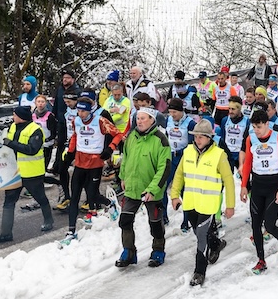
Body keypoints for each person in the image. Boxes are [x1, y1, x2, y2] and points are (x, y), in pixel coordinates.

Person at [170, 120, 236, 286]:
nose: (198, 140)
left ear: (209, 138)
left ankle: (199, 271)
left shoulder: (219, 155)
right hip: (191, 202)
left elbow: (229, 181)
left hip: (208, 204)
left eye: (201, 137)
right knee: (200, 232)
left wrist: (230, 205)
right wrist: (175, 195)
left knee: (201, 236)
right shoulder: (188, 151)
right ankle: (216, 244)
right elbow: (179, 175)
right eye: (196, 136)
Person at [59, 96, 124, 245]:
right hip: (80, 163)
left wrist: (110, 149)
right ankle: (71, 231)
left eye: (83, 111)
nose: (80, 114)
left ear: (89, 111)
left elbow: (118, 134)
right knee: (74, 197)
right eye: (78, 110)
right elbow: (75, 136)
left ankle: (109, 204)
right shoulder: (76, 121)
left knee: (92, 195)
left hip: (95, 163)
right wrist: (70, 152)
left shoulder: (100, 121)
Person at [115, 106, 171, 268]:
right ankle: (129, 251)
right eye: (138, 118)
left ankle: (158, 250)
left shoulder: (161, 140)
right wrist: (123, 177)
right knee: (125, 220)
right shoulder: (131, 136)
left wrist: (153, 189)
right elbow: (126, 158)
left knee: (155, 223)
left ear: (152, 120)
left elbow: (164, 168)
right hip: (132, 187)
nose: (139, 122)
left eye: (143, 118)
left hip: (151, 190)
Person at [240, 109, 278, 274]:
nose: (256, 130)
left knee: (269, 224)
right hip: (257, 185)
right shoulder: (251, 139)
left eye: (259, 127)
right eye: (254, 127)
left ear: (267, 124)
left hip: (274, 185)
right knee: (255, 225)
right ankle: (261, 261)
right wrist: (243, 185)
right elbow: (248, 164)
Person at [0, 106, 53, 242]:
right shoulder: (13, 126)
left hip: (32, 172)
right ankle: (5, 233)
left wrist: (11, 143)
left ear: (21, 117)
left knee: (40, 198)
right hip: (14, 172)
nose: (13, 117)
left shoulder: (35, 130)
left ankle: (49, 220)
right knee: (9, 201)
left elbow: (32, 149)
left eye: (15, 115)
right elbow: (7, 137)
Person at [163, 97, 196, 232]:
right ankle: (163, 216)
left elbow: (193, 144)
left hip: (183, 157)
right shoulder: (168, 120)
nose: (172, 115)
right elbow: (166, 136)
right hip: (170, 157)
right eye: (170, 112)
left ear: (181, 111)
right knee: (163, 186)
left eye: (174, 112)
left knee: (184, 190)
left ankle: (186, 221)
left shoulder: (190, 123)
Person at [32, 95, 57, 171]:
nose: (40, 104)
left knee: (44, 164)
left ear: (45, 103)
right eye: (38, 102)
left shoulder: (50, 116)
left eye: (42, 102)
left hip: (47, 144)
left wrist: (48, 139)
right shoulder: (33, 115)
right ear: (35, 103)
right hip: (35, 144)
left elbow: (54, 131)